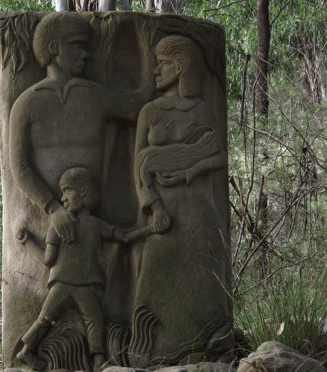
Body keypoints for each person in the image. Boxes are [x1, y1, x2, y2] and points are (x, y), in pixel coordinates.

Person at [129, 35, 233, 367]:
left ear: (181, 68)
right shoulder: (150, 111)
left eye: (163, 65)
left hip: (198, 212)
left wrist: (187, 172)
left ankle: (205, 348)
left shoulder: (201, 109)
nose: (156, 72)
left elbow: (217, 156)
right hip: (162, 213)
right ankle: (152, 350)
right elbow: (138, 166)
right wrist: (154, 206)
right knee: (154, 275)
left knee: (202, 280)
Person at [9, 12, 152, 245]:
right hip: (56, 223)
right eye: (77, 45)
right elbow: (21, 167)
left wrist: (148, 50)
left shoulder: (95, 96)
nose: (86, 54)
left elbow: (141, 108)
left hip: (97, 222)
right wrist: (54, 209)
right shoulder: (26, 104)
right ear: (54, 47)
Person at [16, 167, 153, 372]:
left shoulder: (95, 225)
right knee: (45, 317)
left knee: (94, 319)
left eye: (67, 192)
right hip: (62, 282)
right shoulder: (57, 226)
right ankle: (26, 351)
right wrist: (27, 241)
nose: (62, 199)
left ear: (84, 192)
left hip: (86, 283)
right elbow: (48, 259)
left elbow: (124, 237)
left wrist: (150, 229)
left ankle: (98, 359)